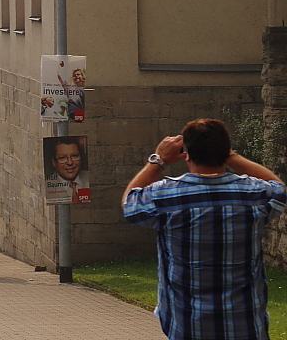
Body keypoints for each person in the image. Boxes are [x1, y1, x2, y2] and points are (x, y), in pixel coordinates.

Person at [123, 119, 285, 340]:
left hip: (188, 325)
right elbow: (279, 189)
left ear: (187, 155)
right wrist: (230, 155)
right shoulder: (252, 195)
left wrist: (158, 160)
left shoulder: (165, 196)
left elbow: (130, 204)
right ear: (226, 152)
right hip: (245, 325)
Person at [46, 138, 89, 203]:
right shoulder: (46, 189)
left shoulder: (90, 178)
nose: (70, 163)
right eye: (62, 157)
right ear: (53, 162)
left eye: (74, 156)